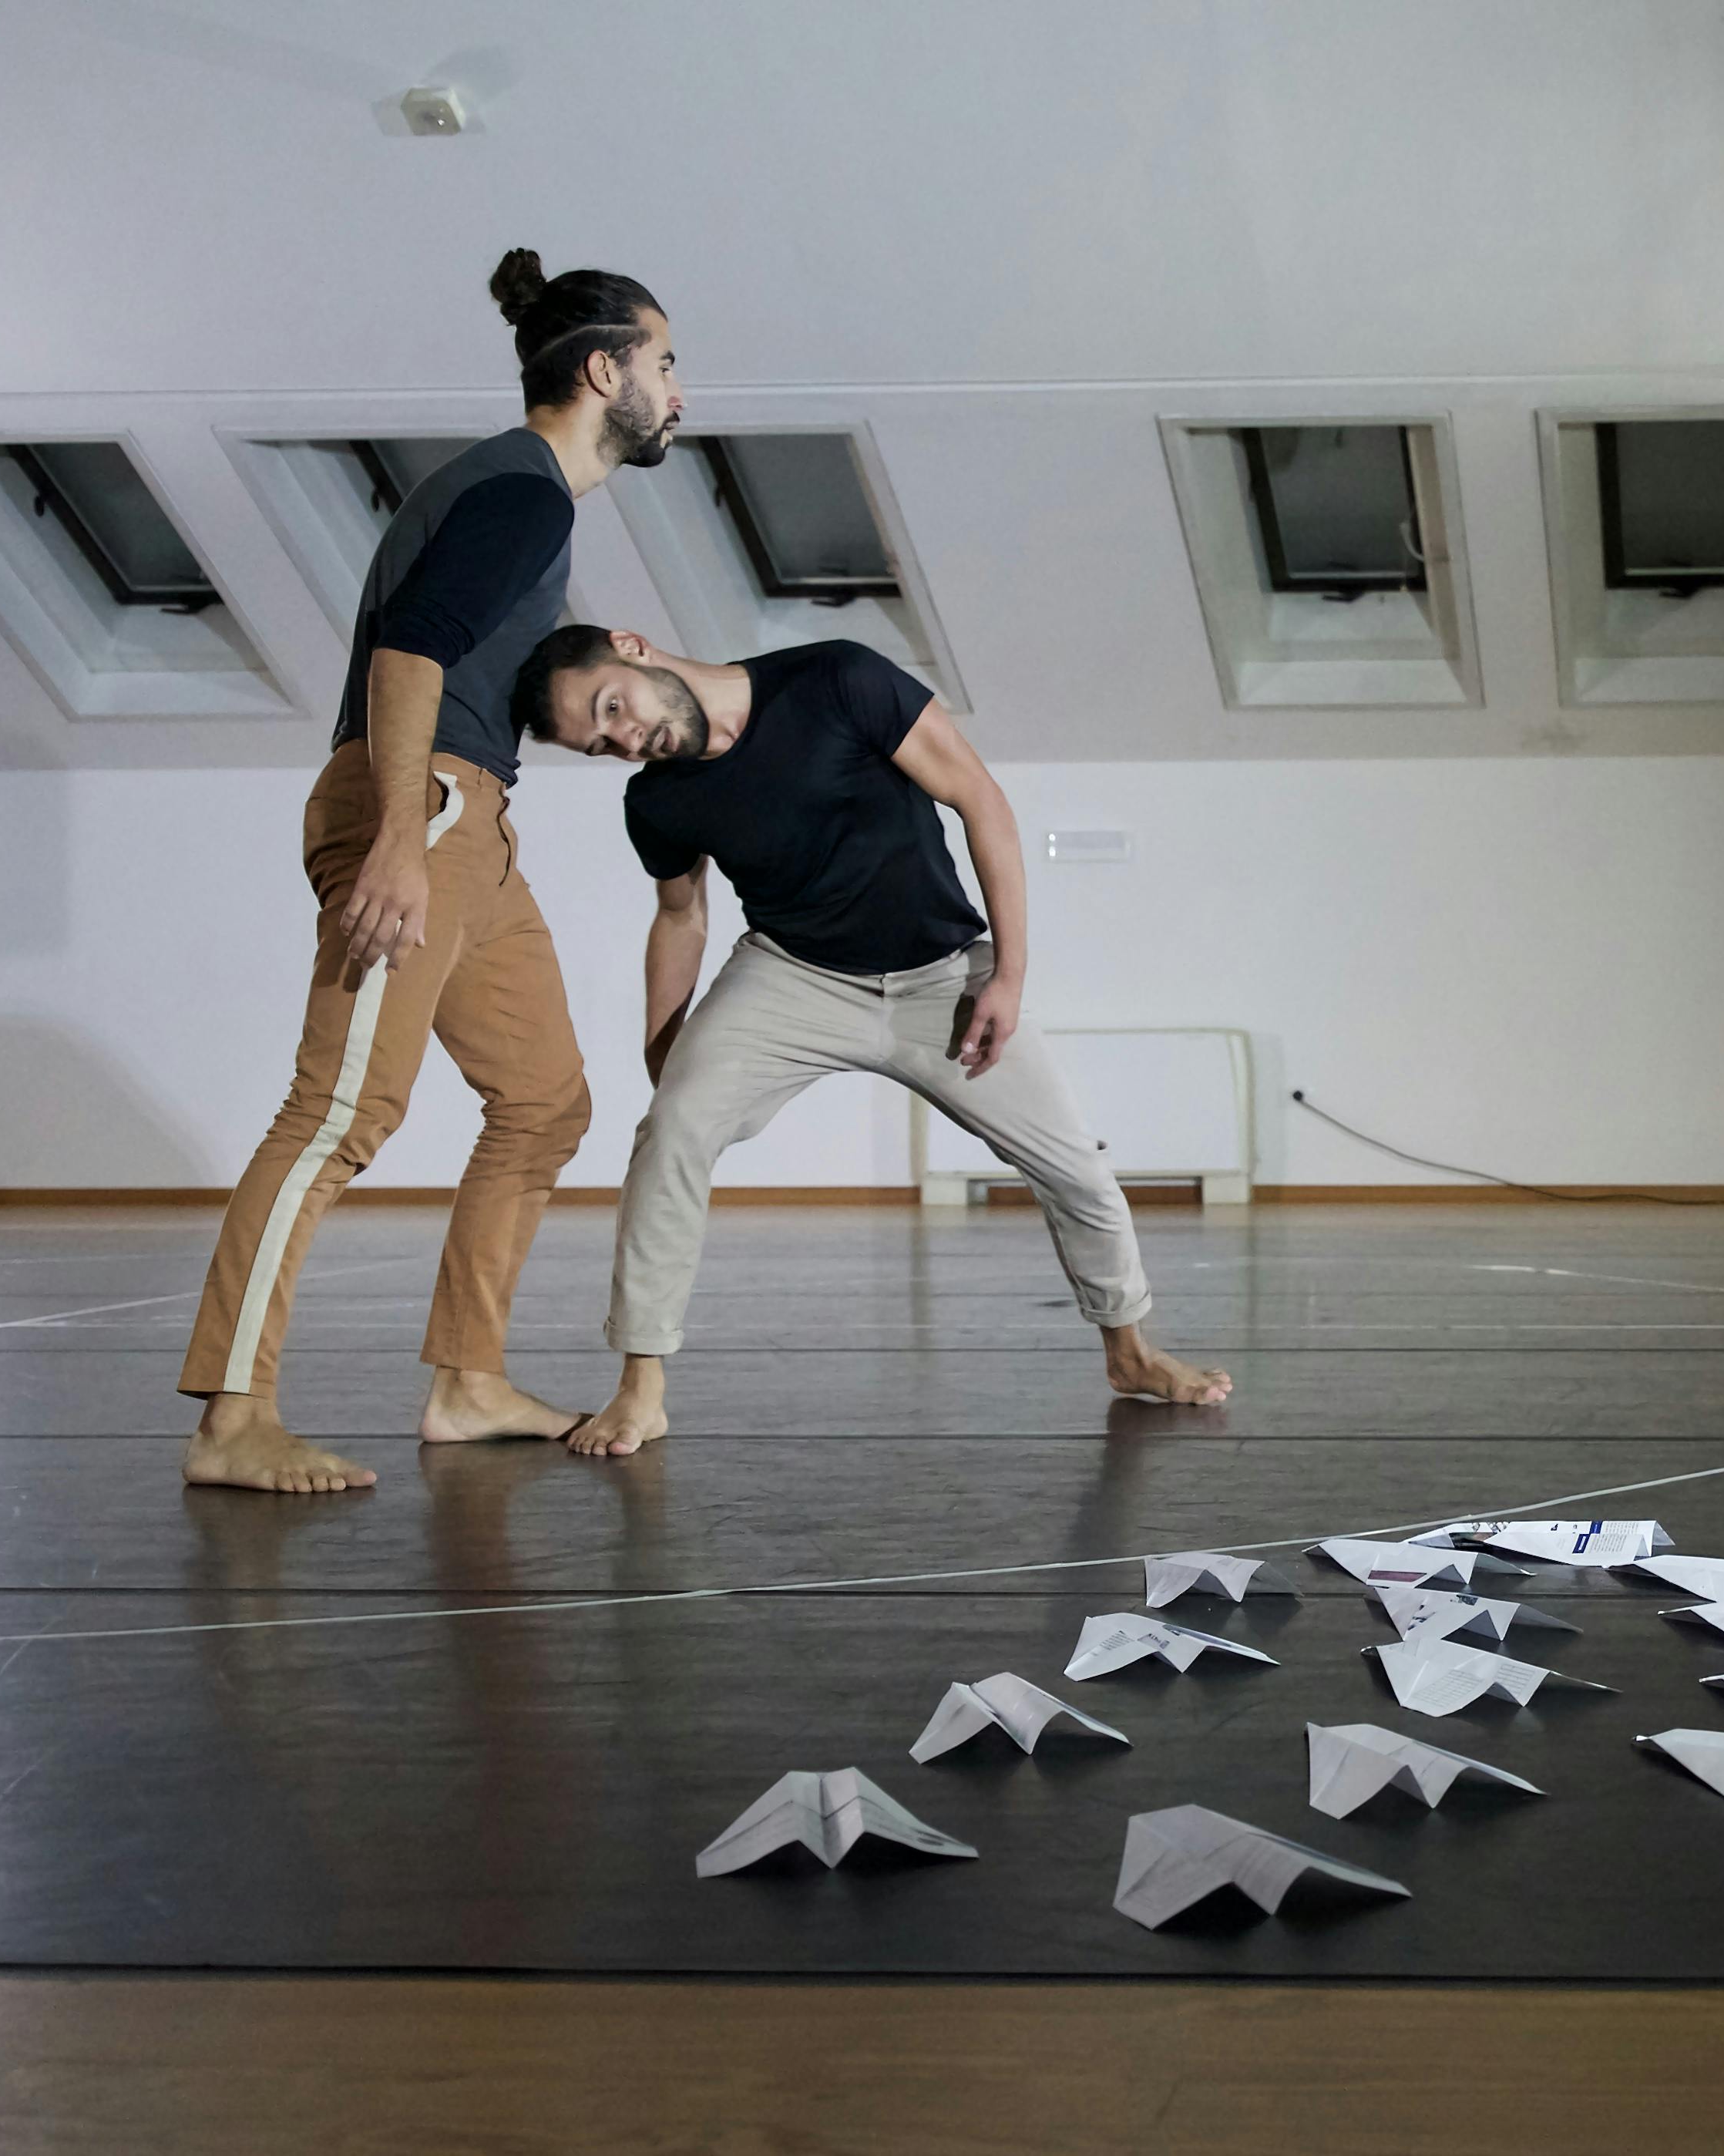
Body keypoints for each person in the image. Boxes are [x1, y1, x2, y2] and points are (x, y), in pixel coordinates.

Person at [176, 252, 683, 1495]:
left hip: (476, 819)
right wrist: (403, 839)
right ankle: (234, 1422)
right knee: (341, 1112)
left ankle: (467, 1381)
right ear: (605, 369)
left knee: (546, 1099)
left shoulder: (520, 497)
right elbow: (408, 651)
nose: (679, 392)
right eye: (665, 365)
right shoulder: (524, 494)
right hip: (428, 807)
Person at [512, 626, 1232, 1453]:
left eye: (613, 709)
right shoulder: (659, 799)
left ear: (632, 649)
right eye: (602, 744)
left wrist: (1009, 975)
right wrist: (661, 1047)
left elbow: (978, 797)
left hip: (941, 976)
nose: (627, 739)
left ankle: (1130, 1353)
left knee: (1074, 1164)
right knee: (672, 1130)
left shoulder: (836, 679)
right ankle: (640, 1387)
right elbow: (680, 915)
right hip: (793, 977)